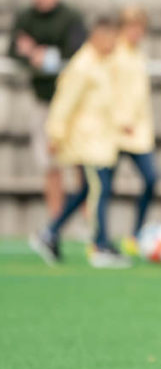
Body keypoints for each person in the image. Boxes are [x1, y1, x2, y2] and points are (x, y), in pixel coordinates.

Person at [29, 17, 130, 269]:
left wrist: (120, 124)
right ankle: (100, 245)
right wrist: (55, 134)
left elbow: (105, 103)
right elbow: (64, 102)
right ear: (98, 36)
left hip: (101, 141)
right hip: (87, 142)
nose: (114, 45)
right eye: (111, 39)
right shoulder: (82, 66)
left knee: (87, 190)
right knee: (98, 190)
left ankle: (49, 232)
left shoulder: (103, 64)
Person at [7, 0, 87, 217]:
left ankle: (92, 229)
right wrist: (32, 54)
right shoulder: (25, 17)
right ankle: (55, 227)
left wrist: (44, 56)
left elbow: (77, 54)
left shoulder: (71, 17)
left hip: (73, 105)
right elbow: (14, 50)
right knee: (51, 166)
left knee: (81, 165)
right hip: (44, 102)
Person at [110, 6, 159, 255]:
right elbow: (106, 92)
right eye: (132, 27)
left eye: (140, 28)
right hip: (113, 131)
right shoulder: (113, 53)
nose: (136, 32)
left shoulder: (138, 54)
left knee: (151, 179)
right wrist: (120, 120)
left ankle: (135, 233)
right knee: (99, 187)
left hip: (138, 134)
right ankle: (98, 237)